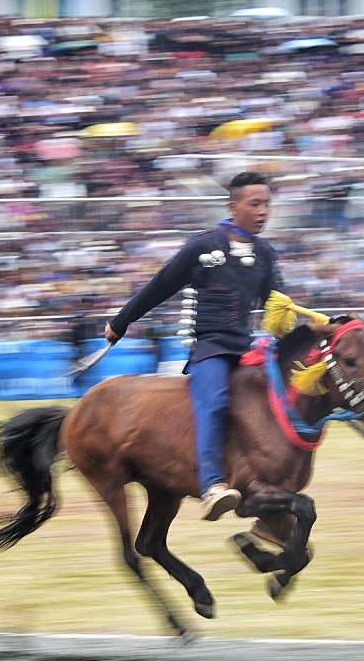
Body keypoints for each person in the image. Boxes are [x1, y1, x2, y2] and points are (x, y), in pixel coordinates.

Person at [104, 171, 284, 520]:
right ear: (233, 206)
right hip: (211, 348)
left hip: (248, 349)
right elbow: (160, 285)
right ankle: (213, 485)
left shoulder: (265, 253)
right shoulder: (203, 245)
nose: (263, 211)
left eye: (267, 205)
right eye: (255, 204)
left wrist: (306, 327)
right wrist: (121, 322)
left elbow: (279, 302)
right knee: (214, 403)